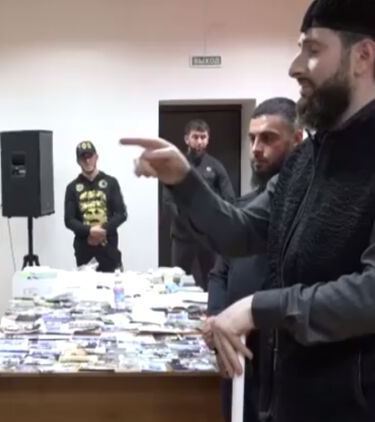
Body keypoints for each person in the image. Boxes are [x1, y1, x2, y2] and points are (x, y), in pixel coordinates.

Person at [121, 1, 375, 420]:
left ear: (363, 56)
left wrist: (259, 307)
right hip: (287, 400)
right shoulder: (305, 161)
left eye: (313, 50)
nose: (295, 67)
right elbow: (239, 233)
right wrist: (183, 178)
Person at [202, 97, 302, 422]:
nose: (257, 149)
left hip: (286, 357)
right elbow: (220, 272)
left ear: (297, 140)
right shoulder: (244, 208)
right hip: (237, 353)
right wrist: (215, 318)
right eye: (252, 138)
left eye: (268, 138)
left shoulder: (307, 213)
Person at [167, 119, 235, 290]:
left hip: (208, 236)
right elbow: (168, 200)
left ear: (208, 139)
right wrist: (186, 222)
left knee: (212, 279)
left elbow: (229, 199)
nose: (199, 141)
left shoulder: (215, 166)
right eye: (195, 137)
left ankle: (211, 306)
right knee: (178, 280)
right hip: (182, 235)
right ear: (187, 139)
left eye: (203, 137)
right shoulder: (176, 165)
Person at [64, 141, 127, 272]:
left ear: (96, 157)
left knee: (112, 283)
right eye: (83, 158)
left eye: (90, 156)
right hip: (84, 248)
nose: (87, 161)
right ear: (78, 161)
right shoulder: (72, 188)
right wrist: (90, 231)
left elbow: (121, 214)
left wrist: (103, 229)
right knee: (85, 284)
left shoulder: (111, 182)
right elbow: (69, 220)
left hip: (109, 248)